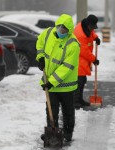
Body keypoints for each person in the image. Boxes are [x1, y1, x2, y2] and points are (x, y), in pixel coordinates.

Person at [36, 14, 80, 142]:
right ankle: (52, 132)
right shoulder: (48, 32)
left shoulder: (73, 44)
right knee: (51, 110)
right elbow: (40, 43)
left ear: (69, 30)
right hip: (50, 82)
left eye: (65, 30)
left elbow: (66, 67)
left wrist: (51, 82)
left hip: (66, 86)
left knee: (67, 111)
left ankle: (68, 132)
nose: (61, 31)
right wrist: (40, 58)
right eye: (60, 28)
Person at [73, 14, 101, 108]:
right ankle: (75, 101)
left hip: (83, 60)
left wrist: (95, 37)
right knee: (79, 81)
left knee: (82, 80)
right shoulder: (80, 34)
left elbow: (91, 33)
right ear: (88, 24)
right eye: (92, 27)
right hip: (78, 59)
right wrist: (94, 59)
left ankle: (79, 99)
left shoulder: (85, 26)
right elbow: (84, 50)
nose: (93, 29)